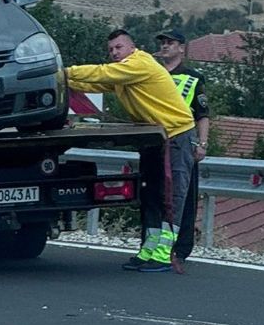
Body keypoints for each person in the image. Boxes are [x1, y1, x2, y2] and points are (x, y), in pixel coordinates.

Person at [66, 29, 197, 272]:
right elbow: (96, 82)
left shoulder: (139, 64)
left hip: (176, 135)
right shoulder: (124, 74)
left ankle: (164, 254)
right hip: (154, 137)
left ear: (132, 47)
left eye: (119, 47)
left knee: (172, 196)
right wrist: (66, 82)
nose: (114, 53)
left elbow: (103, 73)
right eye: (111, 50)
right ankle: (149, 248)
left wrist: (64, 73)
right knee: (152, 194)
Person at [154, 28, 210, 264]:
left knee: (181, 196)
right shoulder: (153, 74)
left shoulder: (193, 77)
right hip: (156, 142)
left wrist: (202, 144)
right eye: (163, 42)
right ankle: (153, 246)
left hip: (182, 143)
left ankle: (179, 248)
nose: (165, 46)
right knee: (154, 196)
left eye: (170, 42)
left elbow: (203, 114)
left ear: (181, 48)